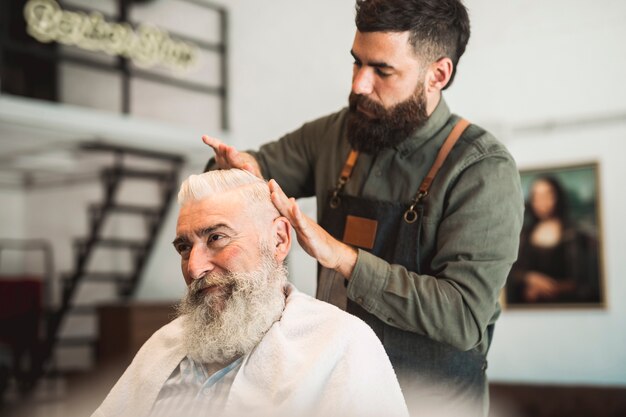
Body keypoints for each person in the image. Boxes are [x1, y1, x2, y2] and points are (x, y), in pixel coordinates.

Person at [204, 0, 524, 414]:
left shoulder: (481, 169)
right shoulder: (336, 134)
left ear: (437, 75)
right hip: (336, 394)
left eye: (381, 71)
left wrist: (342, 257)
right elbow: (242, 167)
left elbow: (462, 316)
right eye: (356, 63)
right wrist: (236, 174)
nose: (358, 84)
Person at [91, 170, 409, 417]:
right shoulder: (163, 345)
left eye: (216, 237)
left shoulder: (340, 345)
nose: (194, 268)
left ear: (279, 240)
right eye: (184, 248)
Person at [506, 176, 601, 305]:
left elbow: (584, 279)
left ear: (558, 197)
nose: (541, 202)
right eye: (536, 196)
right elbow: (512, 271)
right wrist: (529, 278)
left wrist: (550, 288)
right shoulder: (524, 234)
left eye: (547, 195)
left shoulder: (574, 233)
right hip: (528, 309)